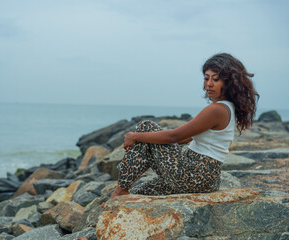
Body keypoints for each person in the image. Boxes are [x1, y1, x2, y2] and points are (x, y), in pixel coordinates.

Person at [110, 53, 260, 198]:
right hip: (203, 179)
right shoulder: (227, 108)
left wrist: (135, 136)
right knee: (138, 192)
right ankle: (122, 195)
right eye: (206, 78)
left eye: (216, 79)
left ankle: (120, 189)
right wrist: (146, 142)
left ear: (228, 82)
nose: (209, 84)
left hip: (194, 174)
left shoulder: (217, 110)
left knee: (146, 126)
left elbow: (174, 136)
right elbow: (184, 139)